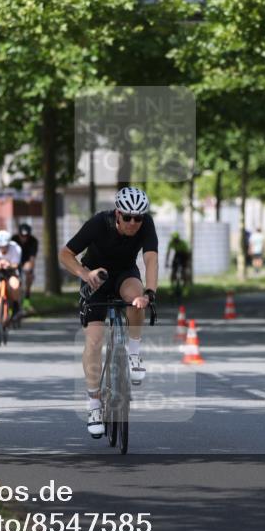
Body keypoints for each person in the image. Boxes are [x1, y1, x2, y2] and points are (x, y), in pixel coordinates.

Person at [59, 186, 158, 438]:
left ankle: (134, 354)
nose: (133, 223)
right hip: (96, 278)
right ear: (117, 214)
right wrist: (84, 274)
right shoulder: (98, 223)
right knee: (94, 340)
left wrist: (150, 293)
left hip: (125, 275)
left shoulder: (146, 224)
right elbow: (66, 254)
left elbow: (150, 259)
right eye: (128, 217)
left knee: (136, 300)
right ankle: (94, 404)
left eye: (138, 218)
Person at [0, 230, 22, 332]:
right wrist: (0, 263)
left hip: (10, 270)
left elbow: (16, 265)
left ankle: (16, 308)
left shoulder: (16, 248)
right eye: (0, 246)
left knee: (15, 285)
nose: (3, 249)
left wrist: (8, 264)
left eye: (5, 246)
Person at [11, 223, 39, 310]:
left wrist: (29, 267)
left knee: (29, 275)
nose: (24, 238)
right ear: (18, 234)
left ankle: (27, 298)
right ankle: (11, 301)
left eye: (26, 236)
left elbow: (32, 258)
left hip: (26, 261)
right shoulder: (13, 240)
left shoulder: (33, 241)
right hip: (14, 261)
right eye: (22, 236)